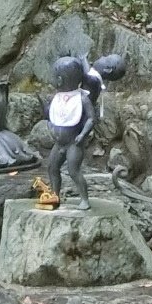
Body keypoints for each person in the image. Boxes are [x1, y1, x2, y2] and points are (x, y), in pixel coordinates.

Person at [41, 56, 97, 208]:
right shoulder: (57, 98)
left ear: (60, 79)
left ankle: (84, 199)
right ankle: (55, 196)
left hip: (74, 143)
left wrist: (83, 134)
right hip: (59, 143)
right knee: (52, 168)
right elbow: (52, 116)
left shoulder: (82, 98)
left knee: (73, 171)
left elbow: (92, 119)